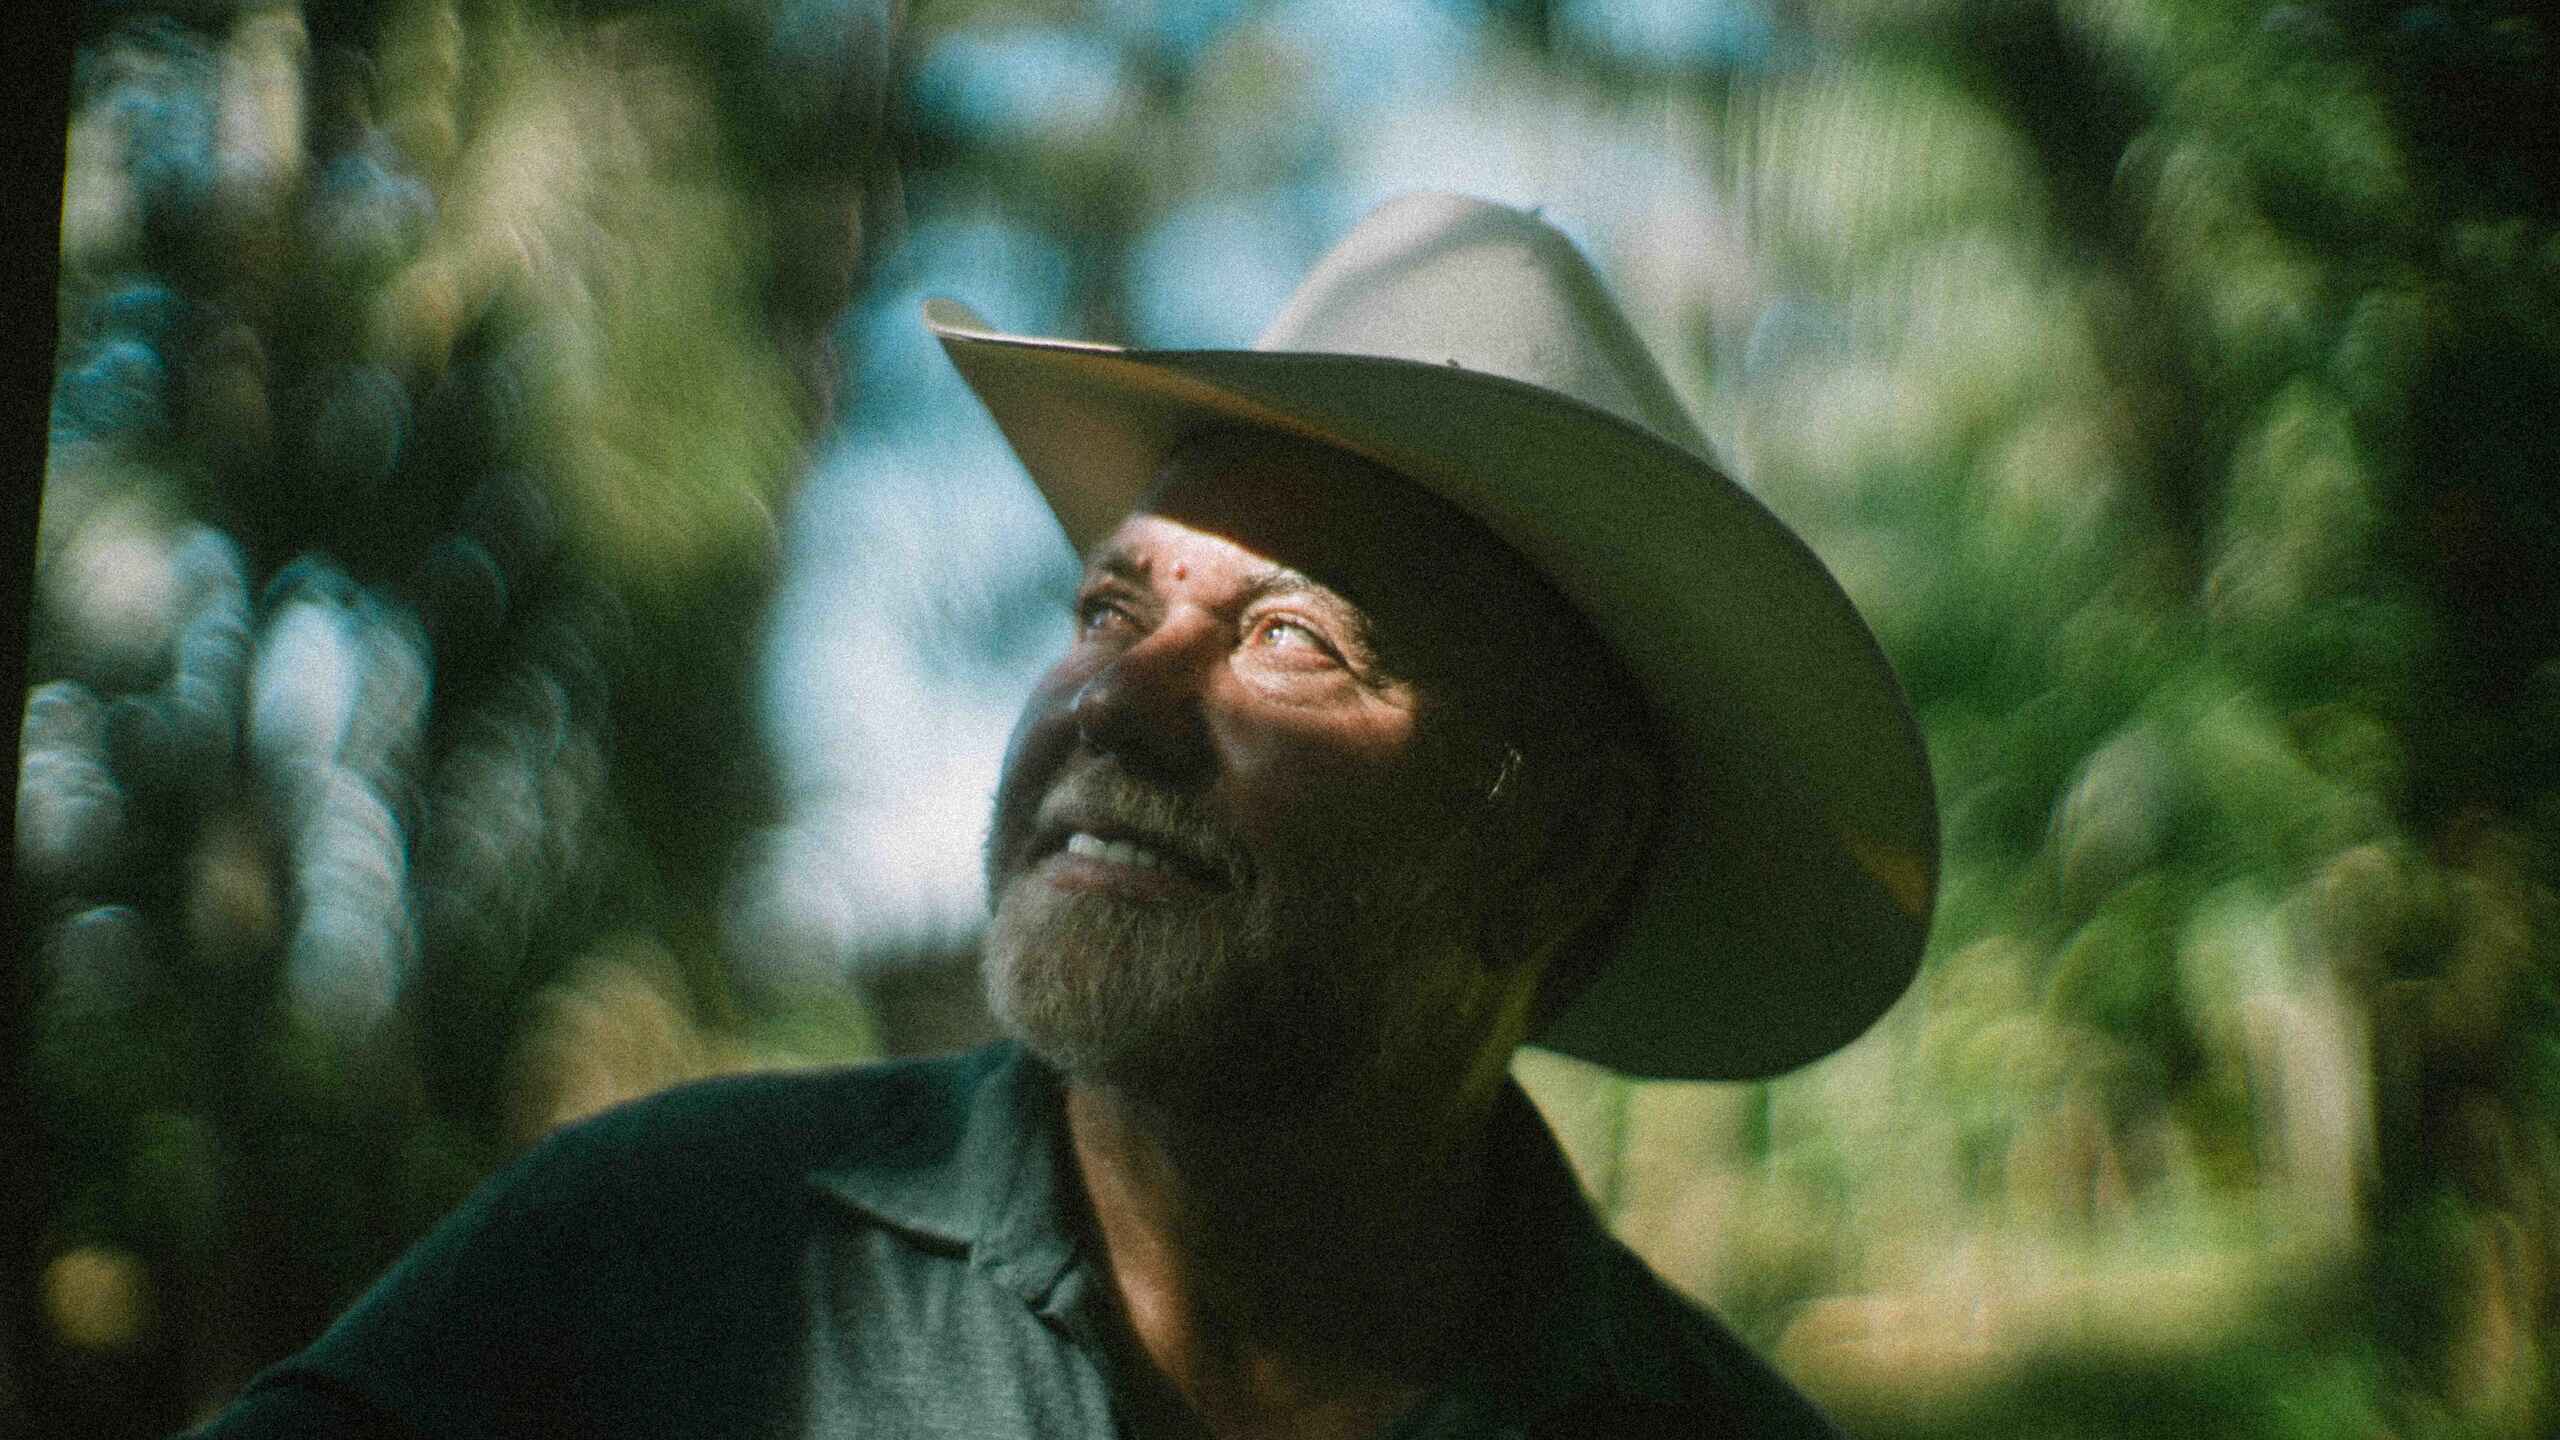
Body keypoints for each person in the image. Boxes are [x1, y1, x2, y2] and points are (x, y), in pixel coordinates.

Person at [189, 191, 1937, 1439]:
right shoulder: (660, 1261)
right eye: (1112, 608)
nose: (1114, 693)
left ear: (1556, 850)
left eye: (1287, 636)